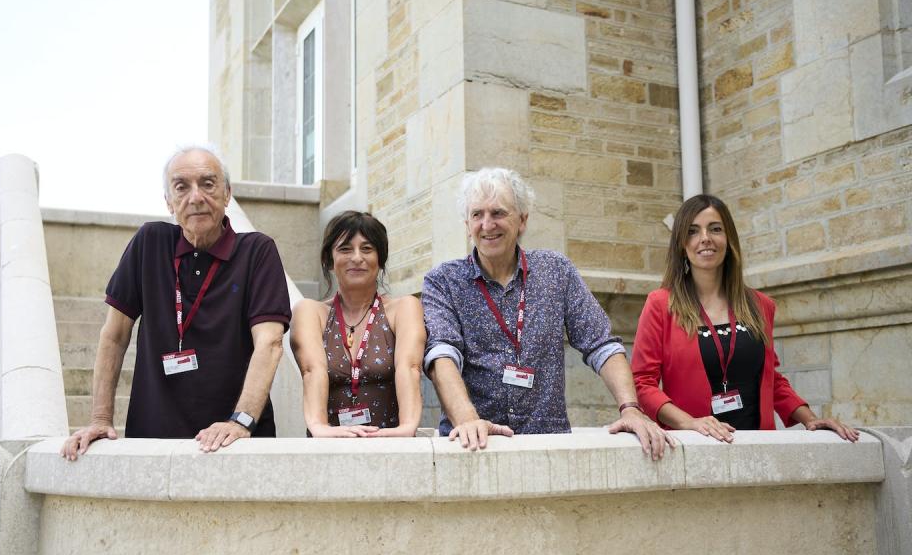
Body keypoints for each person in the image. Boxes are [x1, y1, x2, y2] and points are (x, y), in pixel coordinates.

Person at [422, 167, 675, 458]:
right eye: (477, 214)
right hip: (473, 446)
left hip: (547, 446)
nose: (487, 224)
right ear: (467, 224)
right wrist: (467, 419)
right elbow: (442, 354)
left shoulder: (556, 271)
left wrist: (630, 408)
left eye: (499, 213)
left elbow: (601, 343)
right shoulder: (442, 281)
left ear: (523, 221)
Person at [61, 145, 292, 460]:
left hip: (236, 444)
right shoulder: (150, 243)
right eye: (181, 187)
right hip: (153, 441)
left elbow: (270, 342)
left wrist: (241, 421)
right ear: (168, 201)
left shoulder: (257, 251)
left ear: (227, 194)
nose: (195, 197)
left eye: (208, 184)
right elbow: (114, 336)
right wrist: (100, 420)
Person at [631, 194, 859, 442]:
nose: (705, 238)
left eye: (715, 229)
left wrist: (810, 419)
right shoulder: (661, 304)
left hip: (756, 445)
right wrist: (689, 423)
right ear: (681, 245)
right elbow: (643, 383)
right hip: (695, 445)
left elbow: (771, 379)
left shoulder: (760, 305)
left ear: (728, 239)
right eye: (693, 231)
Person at [290, 212, 424, 437]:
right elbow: (312, 370)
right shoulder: (311, 312)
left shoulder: (404, 308)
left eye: (367, 249)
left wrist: (407, 427)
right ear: (329, 260)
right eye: (345, 249)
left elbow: (410, 367)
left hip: (389, 443)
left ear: (380, 259)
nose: (356, 257)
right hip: (331, 444)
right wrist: (318, 427)